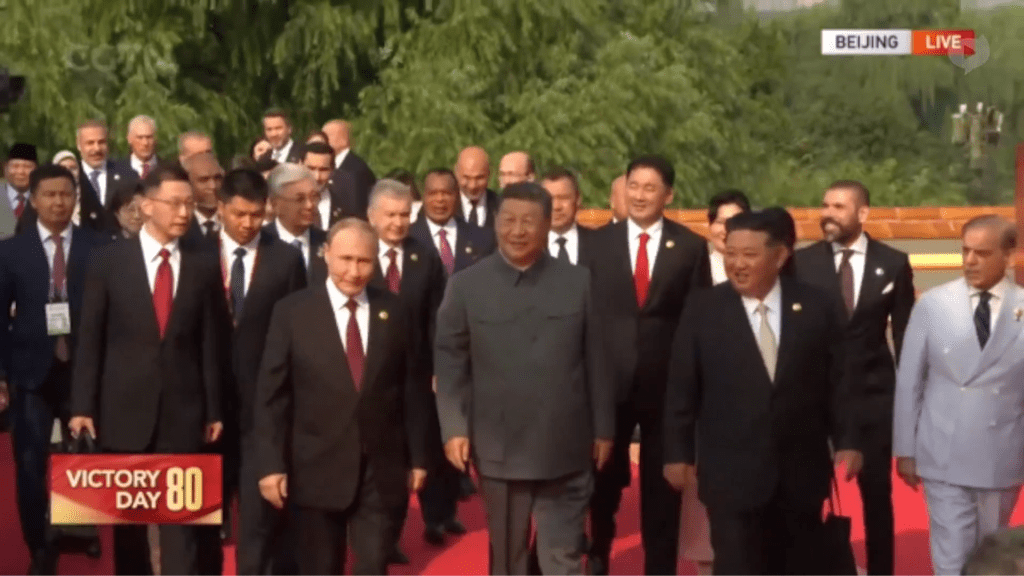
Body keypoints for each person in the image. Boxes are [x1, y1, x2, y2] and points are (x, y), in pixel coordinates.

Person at [663, 209, 863, 575]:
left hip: (800, 473)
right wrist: (677, 453)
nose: (737, 264)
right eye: (731, 254)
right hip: (731, 474)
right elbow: (681, 387)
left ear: (780, 256)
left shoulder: (817, 306)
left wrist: (848, 440)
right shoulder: (704, 309)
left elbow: (840, 381)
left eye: (749, 255)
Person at [434, 182, 615, 575]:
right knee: (508, 559)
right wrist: (454, 428)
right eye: (509, 220)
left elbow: (598, 361)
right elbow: (450, 363)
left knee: (563, 558)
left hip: (566, 445)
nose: (517, 231)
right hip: (499, 447)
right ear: (496, 222)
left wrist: (604, 427)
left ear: (548, 225)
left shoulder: (579, 282)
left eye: (528, 222)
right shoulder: (466, 285)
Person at [68, 163, 229, 575]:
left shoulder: (203, 264)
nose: (184, 212)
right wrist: (82, 406)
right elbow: (90, 339)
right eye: (174, 203)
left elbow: (211, 343)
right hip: (123, 409)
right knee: (130, 531)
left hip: (184, 410)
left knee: (182, 526)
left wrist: (214, 409)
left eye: (189, 204)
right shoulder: (108, 260)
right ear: (146, 206)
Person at [255, 218, 429, 575]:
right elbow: (272, 396)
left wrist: (419, 457)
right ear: (326, 254)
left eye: (363, 261)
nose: (354, 271)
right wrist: (271, 464)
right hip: (315, 468)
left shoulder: (395, 311)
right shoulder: (292, 312)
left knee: (373, 564)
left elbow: (412, 389)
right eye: (346, 259)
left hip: (381, 469)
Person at [585, 155, 710, 575]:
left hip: (666, 386)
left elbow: (696, 320)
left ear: (668, 195)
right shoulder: (597, 244)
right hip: (608, 383)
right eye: (633, 186)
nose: (639, 195)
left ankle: (660, 566)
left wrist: (692, 383)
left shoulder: (690, 247)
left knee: (663, 487)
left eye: (649, 188)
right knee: (602, 480)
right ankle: (598, 555)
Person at [793, 180, 914, 576]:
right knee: (809, 493)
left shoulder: (893, 263)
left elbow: (905, 336)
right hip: (815, 398)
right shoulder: (802, 263)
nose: (827, 214)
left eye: (838, 207)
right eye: (825, 205)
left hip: (873, 398)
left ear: (862, 213)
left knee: (877, 497)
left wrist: (911, 406)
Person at [893, 215, 1024, 576]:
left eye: (982, 253)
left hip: (1002, 451)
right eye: (965, 251)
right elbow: (910, 380)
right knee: (951, 558)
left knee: (992, 556)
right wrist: (905, 448)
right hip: (942, 450)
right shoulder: (934, 304)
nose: (970, 261)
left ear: (1008, 256)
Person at [0, 164, 108, 574]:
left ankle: (80, 532)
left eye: (66, 194)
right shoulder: (11, 251)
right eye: (50, 195)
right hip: (31, 373)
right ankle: (39, 547)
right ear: (34, 200)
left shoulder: (100, 246)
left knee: (83, 459)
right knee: (29, 466)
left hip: (83, 371)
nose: (58, 202)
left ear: (75, 198)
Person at [211, 168, 306, 576]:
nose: (248, 223)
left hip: (263, 408)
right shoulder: (196, 253)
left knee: (257, 521)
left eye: (255, 215)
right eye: (239, 214)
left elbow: (298, 331)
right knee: (202, 523)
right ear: (220, 209)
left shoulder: (285, 259)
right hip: (207, 408)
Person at [365, 179, 450, 561]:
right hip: (365, 374)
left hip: (413, 375)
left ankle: (390, 535)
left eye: (404, 215)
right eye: (390, 215)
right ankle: (371, 536)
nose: (398, 223)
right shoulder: (357, 253)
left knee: (408, 459)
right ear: (371, 216)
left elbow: (437, 317)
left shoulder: (423, 257)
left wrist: (438, 366)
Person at [409, 168, 495, 276]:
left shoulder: (482, 238)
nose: (440, 199)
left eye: (446, 193)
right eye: (433, 193)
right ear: (423, 197)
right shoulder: (408, 238)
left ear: (458, 196)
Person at [262, 163, 328, 285]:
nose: (310, 205)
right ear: (275, 204)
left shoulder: (328, 242)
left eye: (314, 197)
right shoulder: (259, 243)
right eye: (300, 199)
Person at [541, 166, 597, 266]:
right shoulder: (526, 248)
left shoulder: (601, 244)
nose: (556, 206)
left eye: (563, 198)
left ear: (578, 199)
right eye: (549, 199)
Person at [322, 119, 377, 215]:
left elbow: (355, 210)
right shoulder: (339, 166)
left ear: (343, 140)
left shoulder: (354, 171)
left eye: (327, 136)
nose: (322, 141)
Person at [303, 141, 360, 229]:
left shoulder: (347, 206)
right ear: (300, 165)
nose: (317, 177)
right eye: (311, 168)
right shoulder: (286, 204)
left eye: (323, 170)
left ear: (332, 170)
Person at [706, 190, 751, 285]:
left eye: (734, 222)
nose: (726, 230)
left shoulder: (760, 270)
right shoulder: (700, 270)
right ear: (710, 226)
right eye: (720, 222)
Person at [182, 152, 225, 247]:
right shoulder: (180, 226)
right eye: (204, 180)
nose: (213, 186)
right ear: (187, 183)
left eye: (217, 178)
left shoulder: (235, 221)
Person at [454, 146, 498, 229]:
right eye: (466, 178)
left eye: (479, 178)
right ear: (456, 173)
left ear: (489, 174)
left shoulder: (501, 207)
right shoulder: (444, 208)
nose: (473, 186)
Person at [1, 143, 37, 238]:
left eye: (27, 167)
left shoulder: (43, 199)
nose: (21, 172)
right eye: (15, 166)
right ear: (6, 168)